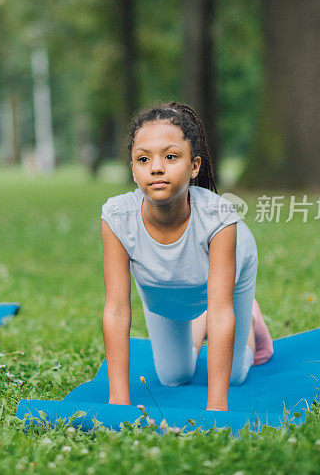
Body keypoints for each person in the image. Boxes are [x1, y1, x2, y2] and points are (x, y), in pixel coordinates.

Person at [100, 102, 273, 411]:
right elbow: (115, 310)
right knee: (173, 376)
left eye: (170, 157)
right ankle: (199, 320)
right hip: (164, 287)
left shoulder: (219, 218)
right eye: (143, 159)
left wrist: (216, 408)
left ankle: (252, 319)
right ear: (133, 169)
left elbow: (221, 313)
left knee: (232, 376)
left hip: (224, 279)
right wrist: (118, 402)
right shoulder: (117, 217)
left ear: (194, 166)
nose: (156, 167)